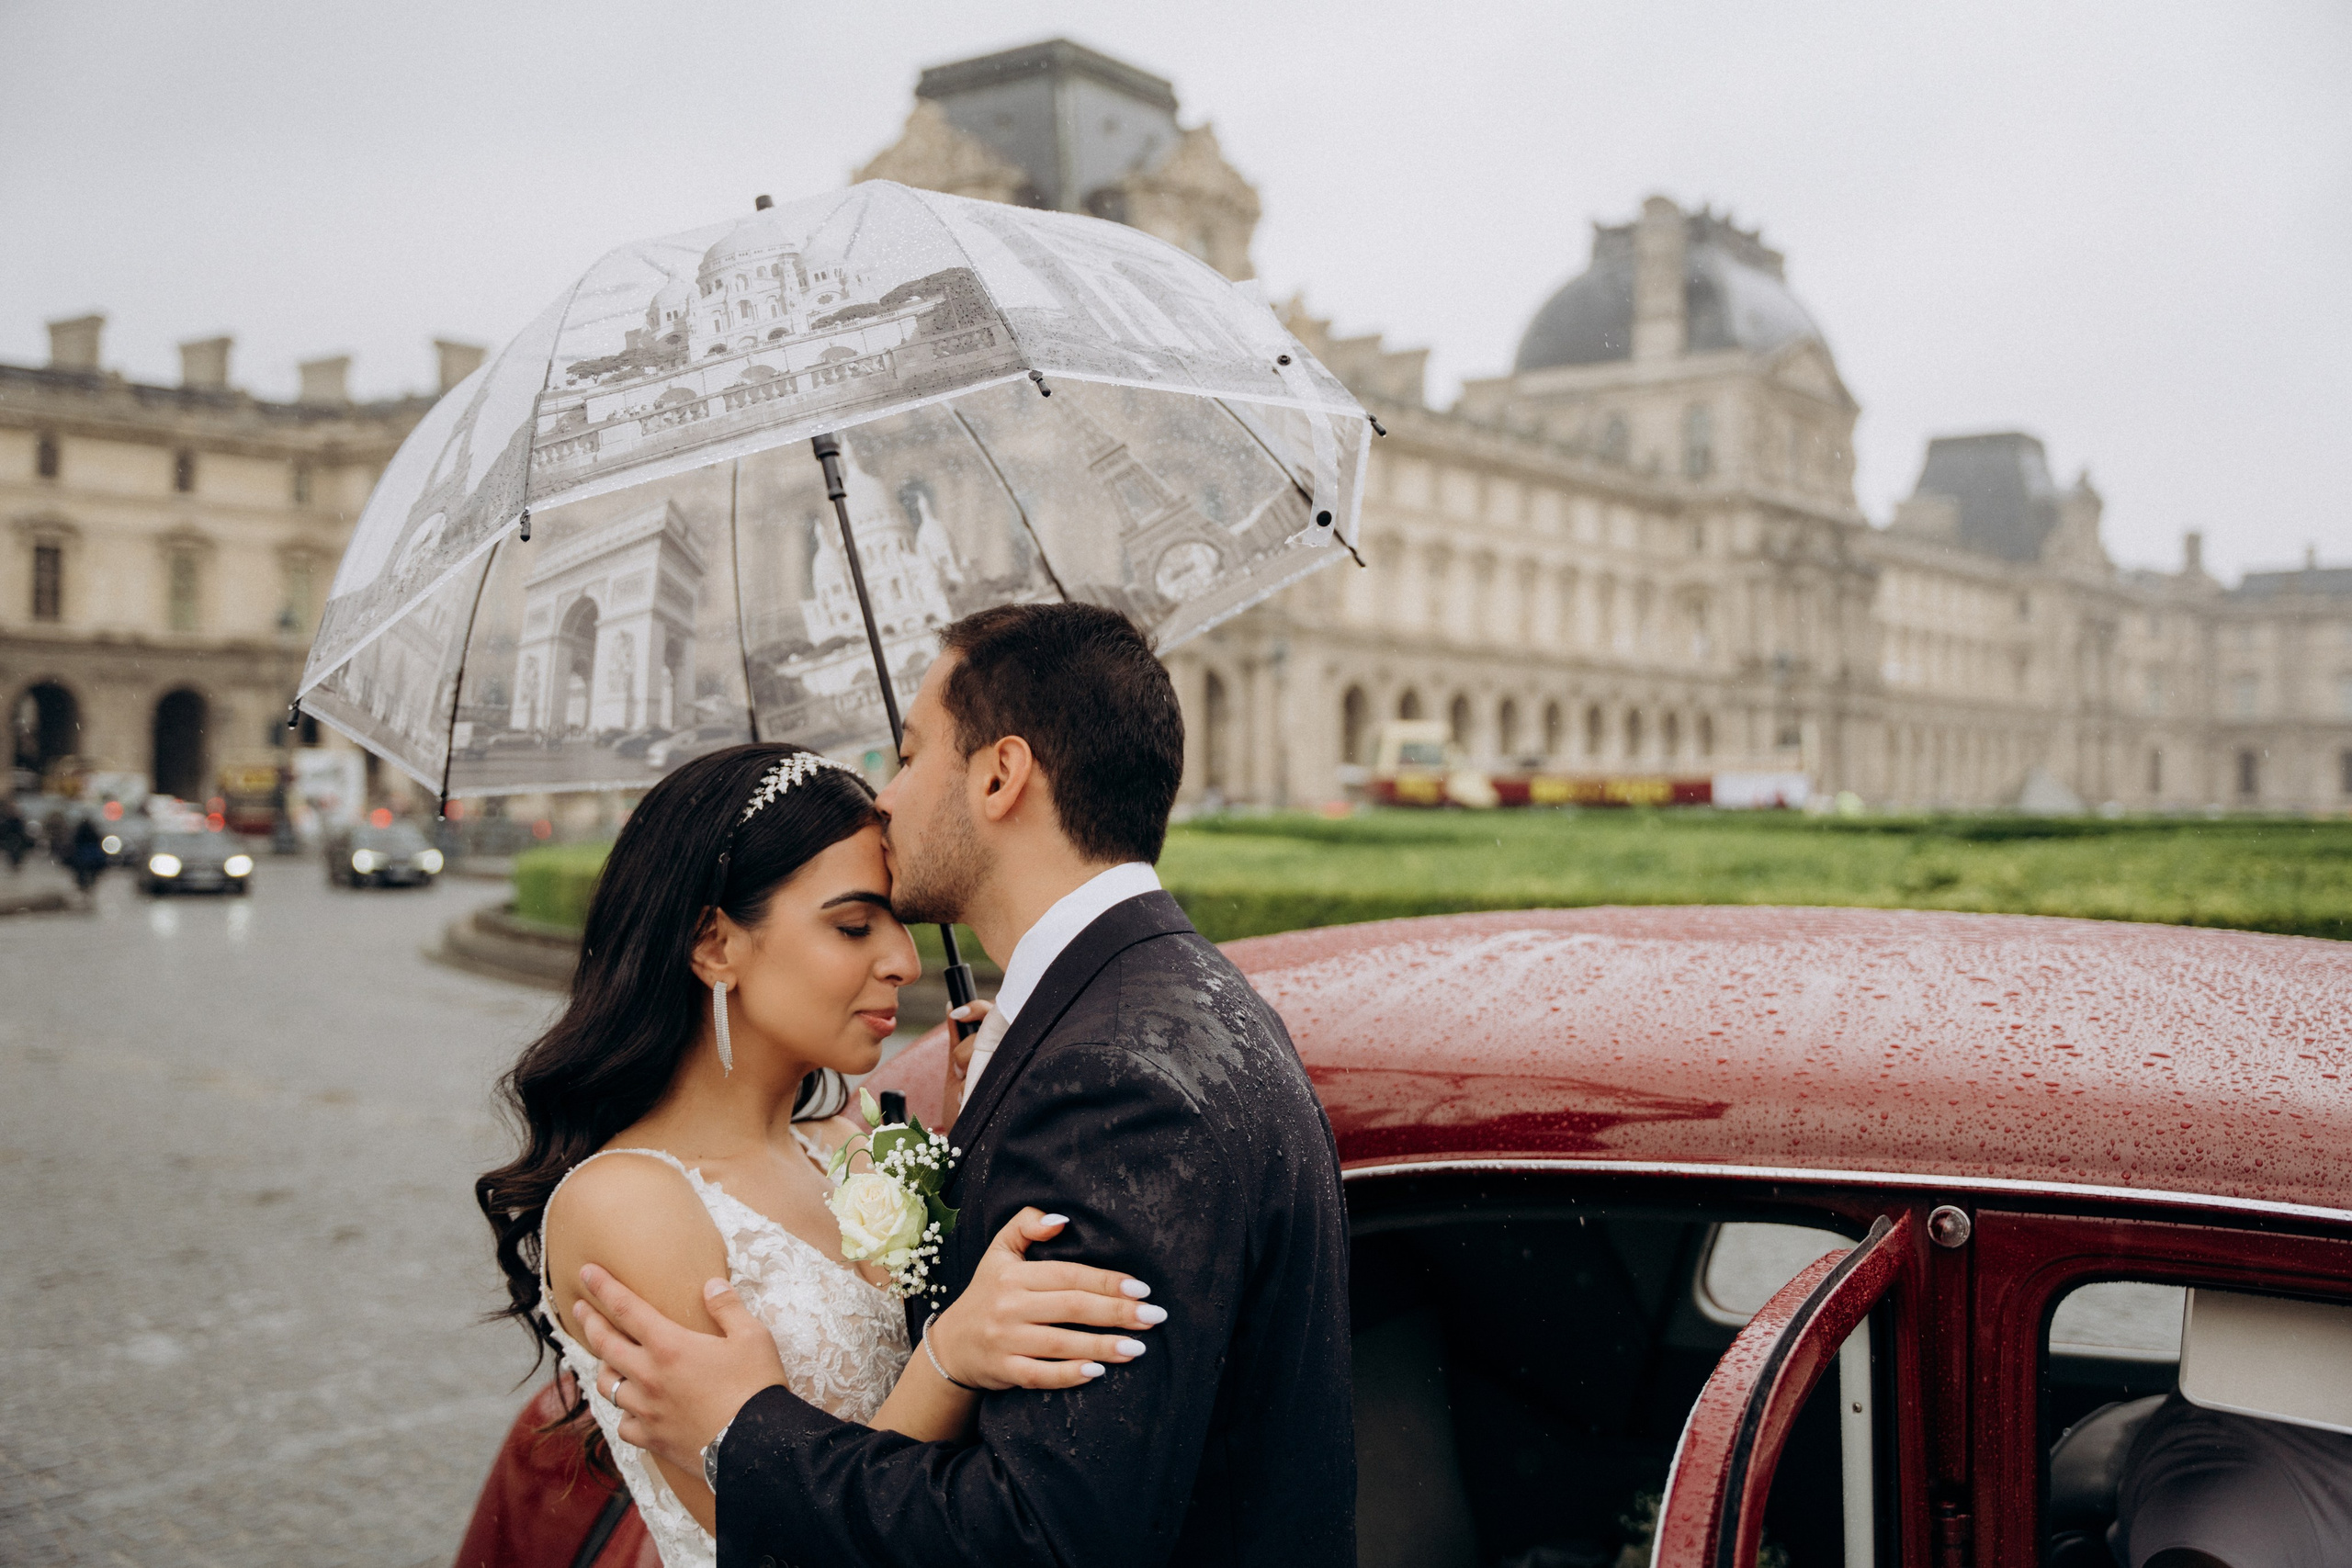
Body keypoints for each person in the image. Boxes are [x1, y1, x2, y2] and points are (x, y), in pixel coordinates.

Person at [567, 602, 1355, 1568]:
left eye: (908, 755)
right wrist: (952, 1309)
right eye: (853, 925)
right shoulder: (1182, 997)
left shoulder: (1105, 1078)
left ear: (999, 774)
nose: (888, 797)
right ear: (714, 944)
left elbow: (1042, 1536)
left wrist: (744, 1432)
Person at [475, 741, 1161, 1568]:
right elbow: (788, 1547)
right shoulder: (628, 1205)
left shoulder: (853, 1145)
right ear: (714, 943)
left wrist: (980, 1139)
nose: (904, 962)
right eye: (853, 925)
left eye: (899, 924)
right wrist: (948, 1359)